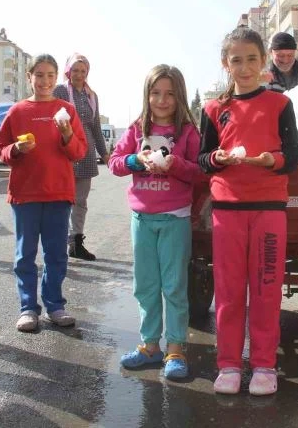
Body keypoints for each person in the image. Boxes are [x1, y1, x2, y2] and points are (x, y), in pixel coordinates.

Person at [199, 27, 298, 396]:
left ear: (263, 62)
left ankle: (264, 365)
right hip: (227, 210)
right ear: (225, 63)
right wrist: (217, 158)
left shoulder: (280, 104)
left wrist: (272, 160)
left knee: (265, 290)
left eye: (251, 59)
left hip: (268, 210)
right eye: (236, 60)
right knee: (228, 292)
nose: (244, 67)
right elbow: (202, 158)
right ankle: (228, 364)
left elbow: (294, 155)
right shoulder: (213, 109)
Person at [109, 64, 202, 380]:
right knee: (145, 285)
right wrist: (135, 160)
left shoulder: (188, 132)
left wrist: (175, 164)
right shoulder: (137, 128)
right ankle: (150, 346)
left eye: (170, 94)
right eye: (156, 92)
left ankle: (175, 349)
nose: (162, 100)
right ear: (147, 95)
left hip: (175, 219)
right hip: (142, 220)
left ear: (180, 97)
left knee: (174, 286)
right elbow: (115, 162)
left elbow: (199, 172)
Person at [0, 54, 87, 332]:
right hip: (25, 194)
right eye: (39, 75)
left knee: (56, 254)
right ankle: (27, 308)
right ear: (29, 77)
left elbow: (79, 152)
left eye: (50, 75)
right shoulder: (17, 111)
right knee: (25, 254)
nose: (44, 81)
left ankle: (55, 305)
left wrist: (67, 135)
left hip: (58, 193)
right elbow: (2, 149)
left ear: (56, 78)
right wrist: (16, 149)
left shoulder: (66, 111)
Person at [53, 53, 109, 261]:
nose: (79, 75)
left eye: (83, 71)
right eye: (75, 70)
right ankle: (57, 243)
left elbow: (95, 127)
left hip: (86, 152)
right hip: (64, 150)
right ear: (68, 71)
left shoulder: (91, 96)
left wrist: (105, 154)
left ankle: (75, 243)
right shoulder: (60, 91)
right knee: (61, 200)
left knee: (80, 201)